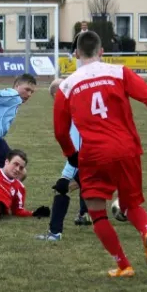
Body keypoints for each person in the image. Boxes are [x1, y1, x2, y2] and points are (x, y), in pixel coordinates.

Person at [53, 31, 147, 277]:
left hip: (94, 154)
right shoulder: (119, 72)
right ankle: (146, 231)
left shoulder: (67, 85)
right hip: (127, 148)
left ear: (77, 54)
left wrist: (71, 154)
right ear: (101, 51)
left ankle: (124, 265)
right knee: (131, 202)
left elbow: (60, 131)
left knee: (97, 211)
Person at [35, 80, 90, 242]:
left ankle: (54, 234)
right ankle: (85, 214)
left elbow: (76, 142)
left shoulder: (72, 110)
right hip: (115, 151)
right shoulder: (85, 101)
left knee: (62, 187)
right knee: (87, 182)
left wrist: (68, 171)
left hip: (90, 156)